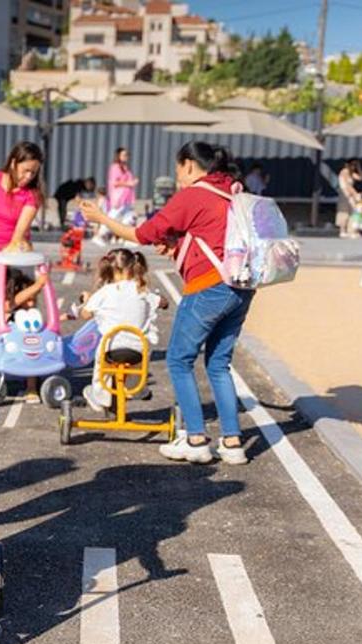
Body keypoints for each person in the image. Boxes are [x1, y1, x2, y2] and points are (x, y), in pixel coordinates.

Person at [80, 141, 253, 466]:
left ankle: (196, 439)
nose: (178, 178)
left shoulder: (195, 194)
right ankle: (232, 443)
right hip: (240, 287)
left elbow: (142, 235)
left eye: (178, 170)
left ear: (189, 164)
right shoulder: (234, 190)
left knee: (178, 360)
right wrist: (177, 245)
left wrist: (101, 216)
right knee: (218, 363)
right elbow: (213, 236)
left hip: (207, 288)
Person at [68, 249, 168, 411]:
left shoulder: (104, 292)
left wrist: (87, 301)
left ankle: (99, 397)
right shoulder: (141, 289)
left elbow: (85, 315)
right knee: (136, 370)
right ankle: (137, 390)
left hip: (111, 349)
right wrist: (161, 301)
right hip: (138, 349)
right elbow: (163, 302)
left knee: (102, 372)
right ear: (132, 266)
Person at [0, 266, 52, 403]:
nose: (32, 304)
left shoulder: (20, 312)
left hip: (18, 346)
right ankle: (31, 387)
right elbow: (11, 304)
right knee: (31, 346)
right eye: (7, 289)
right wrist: (38, 284)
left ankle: (31, 387)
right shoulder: (1, 305)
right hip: (3, 345)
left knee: (33, 345)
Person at [0, 141, 45, 261]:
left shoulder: (32, 195)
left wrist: (2, 259)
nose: (28, 177)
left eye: (33, 173)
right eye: (26, 170)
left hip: (11, 255)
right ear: (13, 163)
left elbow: (18, 235)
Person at [107, 147, 139, 222]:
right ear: (118, 156)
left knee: (128, 219)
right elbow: (114, 182)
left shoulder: (125, 168)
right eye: (124, 155)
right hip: (119, 198)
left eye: (127, 155)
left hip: (127, 198)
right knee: (112, 216)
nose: (126, 157)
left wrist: (133, 181)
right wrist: (129, 183)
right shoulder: (115, 167)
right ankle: (101, 232)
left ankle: (122, 233)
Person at [337, 159, 362, 238]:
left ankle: (350, 230)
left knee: (352, 211)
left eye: (355, 165)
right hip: (344, 194)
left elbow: (361, 177)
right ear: (348, 164)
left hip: (350, 194)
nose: (353, 167)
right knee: (344, 211)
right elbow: (347, 185)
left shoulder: (351, 173)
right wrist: (355, 194)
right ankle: (342, 230)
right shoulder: (344, 172)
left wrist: (359, 168)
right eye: (352, 165)